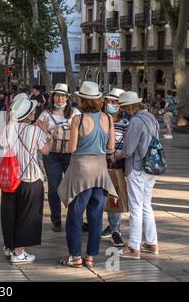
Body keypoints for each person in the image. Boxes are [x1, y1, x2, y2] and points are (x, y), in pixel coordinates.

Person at [58, 81, 116, 268]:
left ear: (82, 99)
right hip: (100, 171)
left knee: (75, 215)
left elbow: (72, 148)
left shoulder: (78, 120)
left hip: (81, 171)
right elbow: (111, 147)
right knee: (96, 216)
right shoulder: (108, 118)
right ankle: (90, 256)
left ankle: (75, 257)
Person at [0, 97, 51, 263]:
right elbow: (46, 151)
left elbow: (2, 144)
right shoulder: (35, 131)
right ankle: (19, 252)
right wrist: (47, 132)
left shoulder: (8, 129)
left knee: (9, 214)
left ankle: (9, 247)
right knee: (27, 216)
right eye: (32, 112)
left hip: (10, 179)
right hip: (30, 178)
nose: (34, 113)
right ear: (28, 115)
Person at [113, 91, 160, 259]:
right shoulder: (151, 118)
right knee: (146, 204)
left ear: (130, 106)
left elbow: (128, 150)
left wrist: (116, 155)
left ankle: (134, 247)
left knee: (135, 206)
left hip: (136, 168)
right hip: (151, 167)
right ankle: (152, 243)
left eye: (124, 107)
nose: (124, 110)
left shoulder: (136, 121)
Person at [36, 84, 81, 233]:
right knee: (54, 187)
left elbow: (83, 131)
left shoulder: (75, 113)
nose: (60, 98)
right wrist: (43, 129)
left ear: (67, 98)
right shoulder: (45, 114)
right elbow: (38, 135)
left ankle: (74, 218)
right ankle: (56, 219)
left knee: (72, 187)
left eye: (63, 95)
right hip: (52, 156)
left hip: (71, 155)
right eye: (57, 95)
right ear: (53, 96)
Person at [101, 88, 129, 247]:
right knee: (97, 196)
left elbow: (128, 143)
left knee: (114, 195)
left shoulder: (126, 122)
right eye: (109, 101)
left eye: (115, 102)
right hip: (98, 161)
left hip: (115, 163)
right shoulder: (101, 118)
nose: (111, 104)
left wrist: (116, 156)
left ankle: (115, 230)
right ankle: (108, 226)